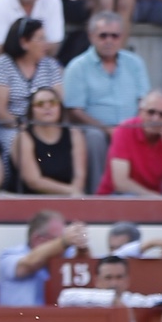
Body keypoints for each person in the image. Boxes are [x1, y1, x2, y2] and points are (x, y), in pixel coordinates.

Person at [62, 11, 150, 190]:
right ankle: (99, 193)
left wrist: (131, 127)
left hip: (132, 126)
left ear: (121, 37)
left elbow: (145, 101)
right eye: (103, 36)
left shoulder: (135, 63)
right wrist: (107, 129)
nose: (109, 41)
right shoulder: (77, 67)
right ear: (91, 37)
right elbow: (74, 111)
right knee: (95, 137)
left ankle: (156, 195)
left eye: (114, 36)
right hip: (94, 129)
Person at [0, 16, 63, 163]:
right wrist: (24, 127)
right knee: (20, 141)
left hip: (46, 125)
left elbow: (59, 100)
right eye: (40, 39)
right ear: (24, 42)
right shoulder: (2, 65)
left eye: (45, 38)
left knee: (73, 136)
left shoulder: (50, 65)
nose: (46, 44)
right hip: (10, 127)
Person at [96, 88, 162, 196]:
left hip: (153, 197)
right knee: (128, 197)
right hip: (114, 197)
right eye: (151, 112)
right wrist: (156, 199)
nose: (155, 119)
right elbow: (121, 183)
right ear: (140, 111)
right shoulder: (125, 129)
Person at [0, 210, 90, 306]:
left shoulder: (65, 253)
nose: (61, 248)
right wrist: (63, 242)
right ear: (37, 239)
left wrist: (82, 248)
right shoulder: (10, 255)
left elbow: (86, 272)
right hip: (20, 315)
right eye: (57, 239)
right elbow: (28, 264)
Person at [13, 85, 87, 194]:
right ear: (31, 110)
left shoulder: (74, 134)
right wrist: (71, 191)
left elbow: (79, 176)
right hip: (30, 198)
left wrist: (74, 193)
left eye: (52, 102)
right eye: (40, 104)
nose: (47, 107)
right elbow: (33, 181)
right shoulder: (23, 137)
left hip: (69, 198)